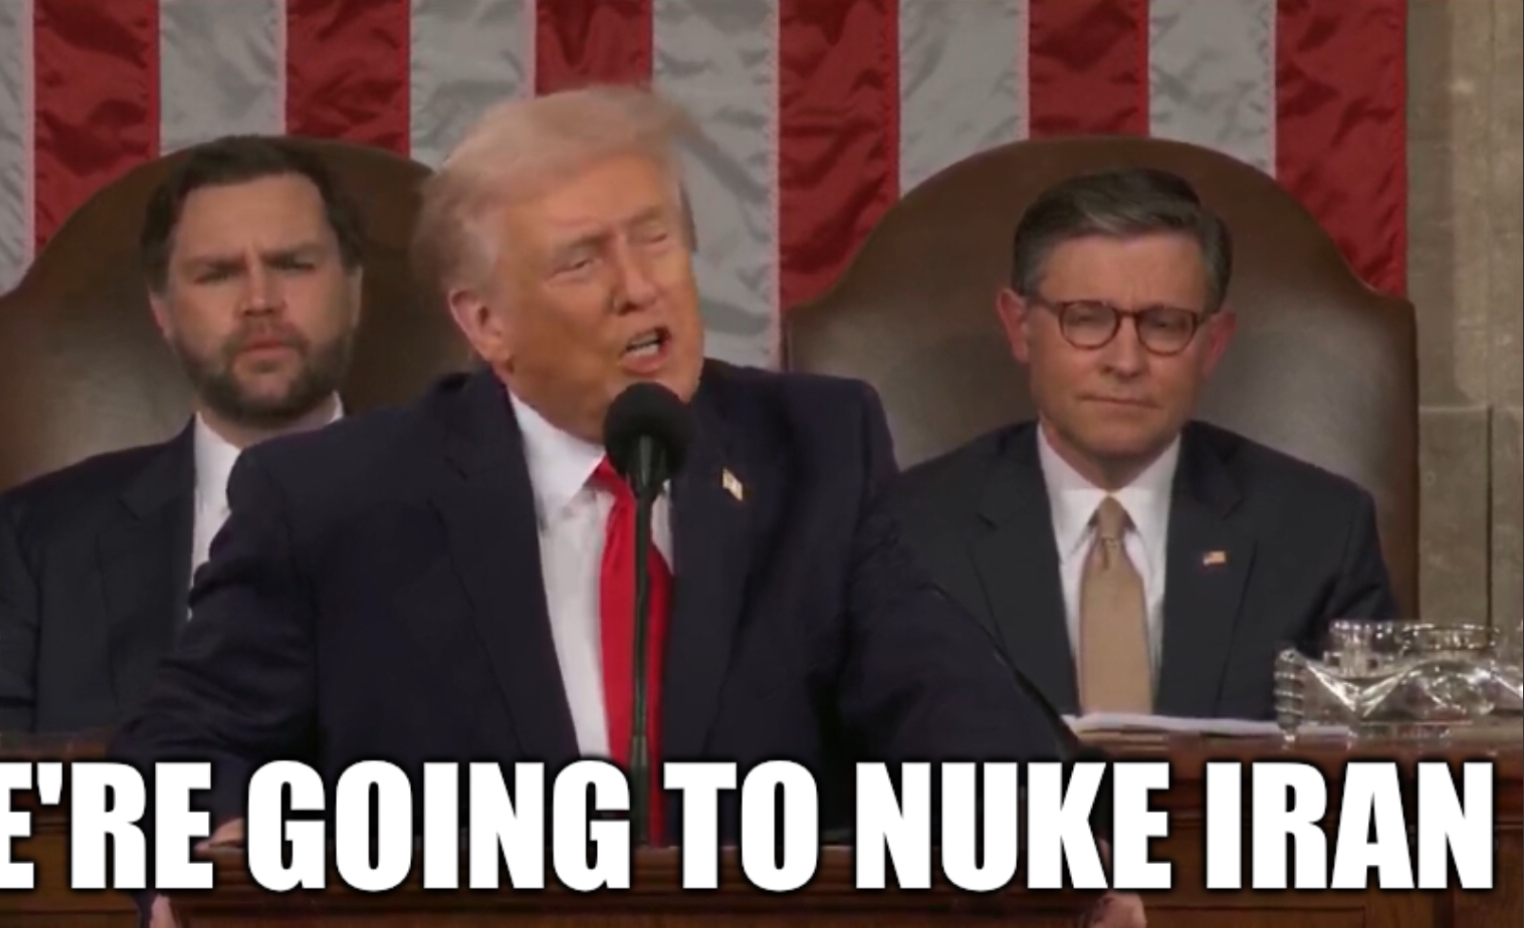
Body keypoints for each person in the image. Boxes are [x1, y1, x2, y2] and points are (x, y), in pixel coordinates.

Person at [108, 87, 1143, 927]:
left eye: (655, 239)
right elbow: (183, 747)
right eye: (581, 260)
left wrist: (1062, 846)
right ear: (486, 321)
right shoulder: (335, 499)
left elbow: (940, 690)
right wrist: (198, 855)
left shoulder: (812, 448)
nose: (638, 287)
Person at [886, 167, 1396, 722]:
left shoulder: (1321, 535)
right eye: (1086, 319)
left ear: (1212, 345)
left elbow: (1376, 758)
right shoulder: (906, 536)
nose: (1126, 362)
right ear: (1019, 327)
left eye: (1164, 325)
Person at [0, 135, 363, 733]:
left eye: (293, 265)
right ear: (163, 312)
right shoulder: (38, 543)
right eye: (217, 274)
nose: (260, 301)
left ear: (354, 289)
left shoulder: (470, 516)